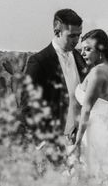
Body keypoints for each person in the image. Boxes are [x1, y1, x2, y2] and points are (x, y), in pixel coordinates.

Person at [67, 29, 108, 181]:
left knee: (88, 178)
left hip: (93, 131)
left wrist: (77, 144)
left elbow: (87, 110)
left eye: (88, 49)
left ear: (100, 50)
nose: (83, 53)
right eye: (82, 49)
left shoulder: (97, 72)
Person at [24, 9, 88, 143]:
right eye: (71, 36)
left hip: (81, 141)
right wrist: (42, 143)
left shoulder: (80, 58)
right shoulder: (39, 61)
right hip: (53, 144)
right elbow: (28, 107)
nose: (76, 40)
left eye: (79, 35)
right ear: (57, 31)